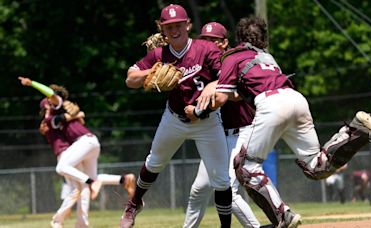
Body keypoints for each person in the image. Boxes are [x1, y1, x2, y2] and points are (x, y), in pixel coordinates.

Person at [209, 16, 371, 227]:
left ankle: (282, 216)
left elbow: (222, 97)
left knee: (245, 168)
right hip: (295, 98)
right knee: (316, 166)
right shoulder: (267, 57)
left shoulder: (233, 56)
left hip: (271, 104)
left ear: (238, 37)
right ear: (263, 40)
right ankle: (355, 132)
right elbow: (244, 91)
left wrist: (200, 108)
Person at [120, 4, 232, 228]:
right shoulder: (159, 54)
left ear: (188, 24)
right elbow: (130, 79)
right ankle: (134, 204)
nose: (174, 30)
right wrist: (150, 72)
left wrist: (212, 85)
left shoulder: (206, 49)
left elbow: (228, 76)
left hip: (206, 122)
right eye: (169, 26)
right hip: (174, 118)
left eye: (178, 25)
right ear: (162, 29)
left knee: (221, 179)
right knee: (154, 162)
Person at [183, 22, 271, 228]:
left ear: (224, 42)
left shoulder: (233, 60)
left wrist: (212, 93)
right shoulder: (202, 65)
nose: (208, 44)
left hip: (241, 131)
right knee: (199, 188)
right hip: (218, 136)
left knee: (227, 188)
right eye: (204, 40)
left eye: (213, 40)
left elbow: (239, 94)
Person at [20, 77, 136, 227]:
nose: (49, 103)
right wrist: (77, 114)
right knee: (83, 187)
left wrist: (32, 83)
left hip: (78, 146)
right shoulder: (52, 119)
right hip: (86, 145)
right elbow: (63, 116)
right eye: (47, 104)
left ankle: (59, 219)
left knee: (69, 175)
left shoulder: (56, 112)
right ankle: (82, 222)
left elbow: (53, 97)